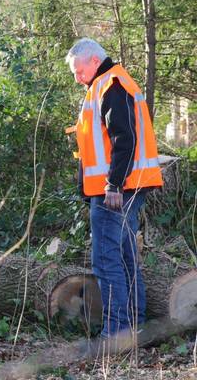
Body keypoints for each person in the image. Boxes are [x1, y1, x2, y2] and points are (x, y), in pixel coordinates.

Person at [65, 38, 163, 338]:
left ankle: (117, 333)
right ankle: (133, 326)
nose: (77, 77)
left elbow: (125, 139)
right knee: (123, 258)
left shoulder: (112, 85)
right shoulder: (107, 84)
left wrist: (113, 185)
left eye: (78, 71)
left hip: (117, 192)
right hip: (124, 188)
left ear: (93, 60)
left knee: (107, 261)